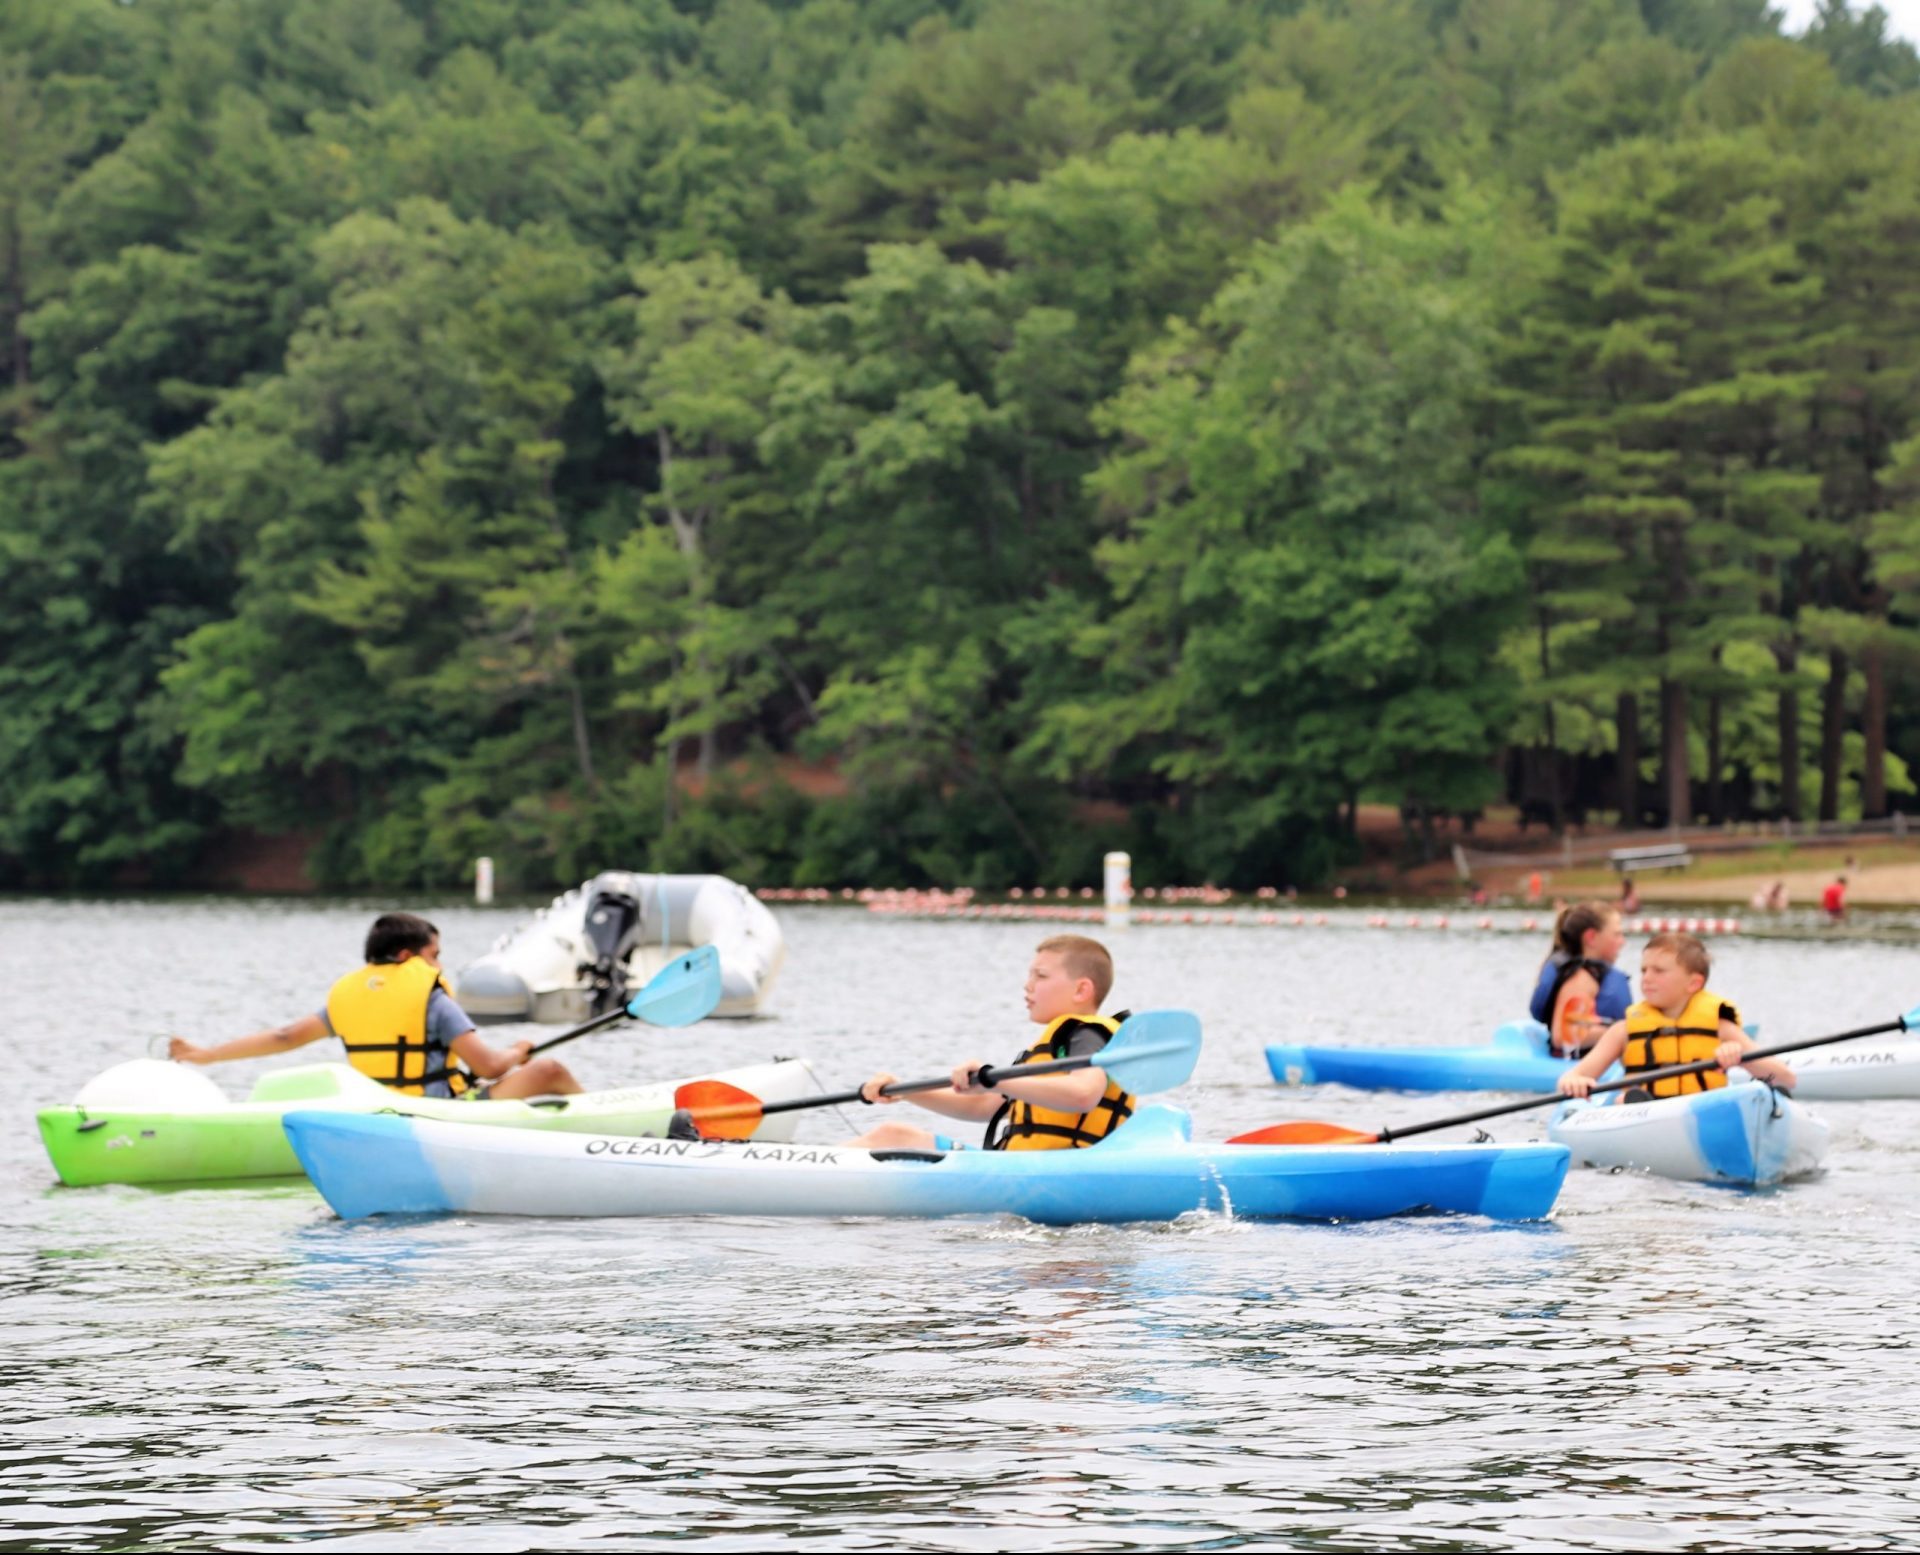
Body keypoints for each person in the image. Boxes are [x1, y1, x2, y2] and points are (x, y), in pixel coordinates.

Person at [168, 912, 583, 1099]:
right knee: (548, 1070)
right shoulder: (432, 997)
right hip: (442, 1114)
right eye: (433, 955)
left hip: (379, 1109)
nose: (438, 965)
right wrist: (519, 1051)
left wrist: (205, 1055)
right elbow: (492, 1067)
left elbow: (285, 1036)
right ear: (407, 956)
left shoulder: (351, 994)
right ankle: (603, 1125)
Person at [844, 934, 1136, 1153]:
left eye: (1041, 976)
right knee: (893, 1135)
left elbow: (1084, 1094)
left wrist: (994, 1079)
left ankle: (798, 1179)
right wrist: (906, 1091)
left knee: (893, 1136)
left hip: (1050, 1172)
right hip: (1021, 1167)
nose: (1028, 985)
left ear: (1082, 989)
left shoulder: (1087, 1035)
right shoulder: (1053, 1050)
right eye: (1029, 975)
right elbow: (983, 1105)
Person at [1556, 932, 1795, 1100]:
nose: (1646, 978)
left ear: (1694, 983)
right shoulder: (1624, 1030)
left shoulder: (1721, 1027)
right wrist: (1575, 1082)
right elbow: (1573, 1076)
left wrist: (1741, 1057)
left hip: (1704, 1112)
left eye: (1659, 971)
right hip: (1643, 1115)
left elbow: (1785, 1079)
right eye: (1644, 970)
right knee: (1623, 1101)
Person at [1527, 902, 1632, 1057]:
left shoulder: (1593, 975)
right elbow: (1563, 1037)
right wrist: (1625, 1030)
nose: (1622, 941)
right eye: (1616, 934)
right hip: (1574, 1067)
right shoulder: (1581, 979)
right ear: (1591, 938)